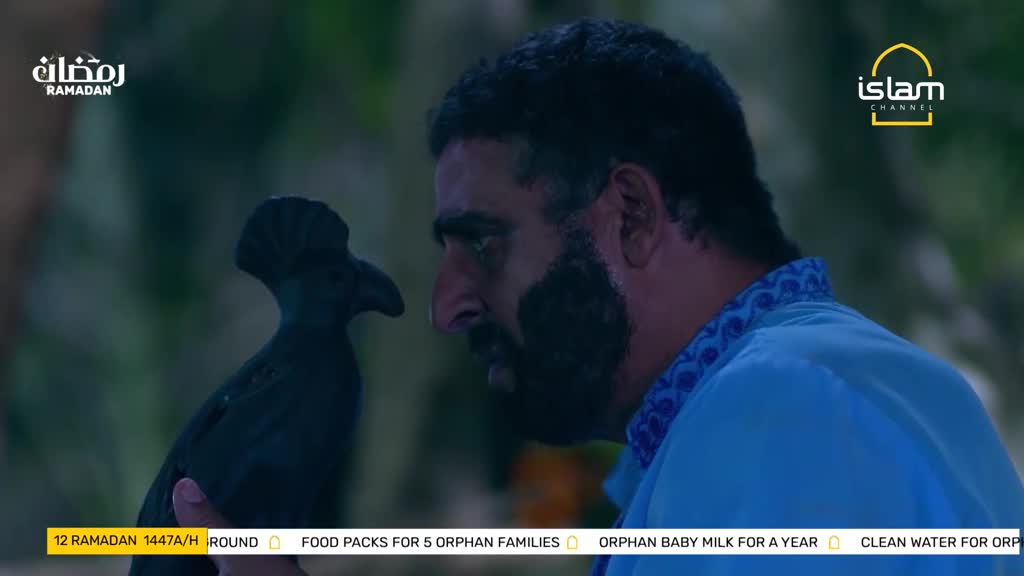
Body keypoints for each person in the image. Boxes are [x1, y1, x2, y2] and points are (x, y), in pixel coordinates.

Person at [173, 18, 1024, 575]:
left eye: (483, 243)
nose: (446, 307)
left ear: (631, 214)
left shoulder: (786, 408)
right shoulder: (805, 397)